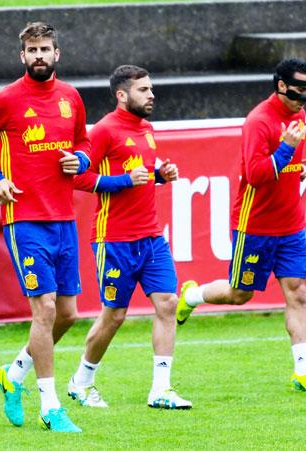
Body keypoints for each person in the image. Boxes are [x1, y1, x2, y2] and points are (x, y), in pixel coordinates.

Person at [0, 22, 91, 432]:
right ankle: (50, 407)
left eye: (45, 49)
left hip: (63, 217)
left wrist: (81, 161)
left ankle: (13, 375)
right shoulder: (6, 100)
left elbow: (85, 143)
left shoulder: (71, 97)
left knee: (67, 313)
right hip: (24, 219)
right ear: (22, 56)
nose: (38, 56)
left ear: (57, 54)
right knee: (45, 308)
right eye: (31, 49)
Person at [176, 58, 306, 395]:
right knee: (240, 293)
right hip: (254, 225)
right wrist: (286, 149)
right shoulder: (259, 121)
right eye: (298, 89)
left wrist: (297, 166)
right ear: (280, 85)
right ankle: (192, 294)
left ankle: (304, 371)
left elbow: (289, 162)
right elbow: (257, 175)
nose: (304, 97)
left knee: (297, 293)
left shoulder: (299, 115)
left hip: (290, 223)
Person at [67, 65, 192, 410]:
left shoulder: (147, 129)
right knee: (115, 315)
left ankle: (161, 389)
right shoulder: (104, 130)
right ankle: (82, 381)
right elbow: (79, 179)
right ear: (122, 95)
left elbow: (140, 176)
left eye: (151, 89)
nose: (151, 95)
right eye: (143, 90)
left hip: (151, 236)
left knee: (168, 303)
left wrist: (159, 176)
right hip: (114, 240)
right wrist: (124, 180)